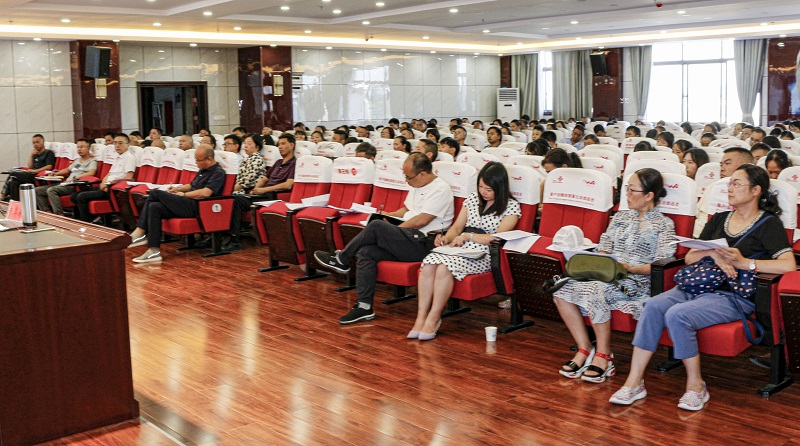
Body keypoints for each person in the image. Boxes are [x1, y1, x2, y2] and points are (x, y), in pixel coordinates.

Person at [611, 164, 795, 410]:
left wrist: (744, 263)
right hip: (697, 284)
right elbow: (690, 257)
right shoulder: (719, 219)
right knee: (653, 306)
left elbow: (788, 265)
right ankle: (634, 383)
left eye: (736, 183)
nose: (729, 188)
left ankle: (696, 386)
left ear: (755, 190)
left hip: (730, 294)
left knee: (678, 314)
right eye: (729, 183)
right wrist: (714, 254)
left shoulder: (768, 224)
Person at [555, 168, 676, 383]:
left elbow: (662, 263)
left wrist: (629, 268)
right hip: (608, 275)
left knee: (596, 290)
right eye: (626, 189)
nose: (626, 194)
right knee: (561, 288)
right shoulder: (620, 217)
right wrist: (603, 262)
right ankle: (584, 348)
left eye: (632, 190)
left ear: (649, 195)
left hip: (637, 282)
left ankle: (604, 355)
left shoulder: (664, 224)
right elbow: (604, 246)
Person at [313, 153, 455, 325]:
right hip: (407, 239)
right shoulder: (417, 184)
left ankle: (342, 259)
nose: (406, 181)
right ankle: (364, 307)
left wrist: (392, 231)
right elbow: (406, 210)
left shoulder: (441, 189)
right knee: (366, 251)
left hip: (424, 244)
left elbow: (422, 220)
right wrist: (389, 216)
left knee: (376, 227)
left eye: (408, 177)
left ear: (423, 174)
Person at [410, 162, 521, 340]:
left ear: (500, 188)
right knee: (429, 264)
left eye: (488, 189)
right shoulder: (472, 199)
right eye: (480, 187)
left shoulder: (511, 206)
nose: (483, 192)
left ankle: (434, 318)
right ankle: (421, 317)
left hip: (485, 253)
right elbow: (456, 228)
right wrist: (445, 238)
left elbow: (497, 238)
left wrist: (469, 236)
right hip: (459, 247)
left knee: (444, 267)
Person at [128, 146, 227, 263]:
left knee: (155, 193)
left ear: (209, 159)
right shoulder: (203, 169)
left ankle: (140, 231)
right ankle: (154, 250)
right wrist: (177, 189)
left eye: (198, 160)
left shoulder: (218, 172)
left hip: (198, 206)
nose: (196, 163)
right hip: (187, 202)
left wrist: (184, 195)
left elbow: (206, 193)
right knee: (154, 207)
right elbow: (191, 185)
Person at [72, 133, 136, 222]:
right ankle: (94, 219)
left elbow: (129, 177)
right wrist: (103, 183)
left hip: (113, 190)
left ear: (127, 144)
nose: (117, 145)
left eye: (120, 143)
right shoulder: (117, 157)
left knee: (81, 197)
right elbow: (109, 173)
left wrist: (108, 185)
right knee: (74, 196)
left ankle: (87, 222)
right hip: (105, 186)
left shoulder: (129, 157)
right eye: (115, 143)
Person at [693, 147, 754, 237]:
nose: (722, 169)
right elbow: (698, 214)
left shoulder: (751, 192)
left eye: (727, 163)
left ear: (745, 166)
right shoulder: (714, 186)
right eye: (721, 165)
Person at [34, 138, 97, 214]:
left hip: (74, 185)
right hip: (66, 183)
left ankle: (59, 214)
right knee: (37, 191)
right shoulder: (77, 160)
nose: (79, 149)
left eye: (82, 147)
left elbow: (91, 172)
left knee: (51, 190)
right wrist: (56, 174)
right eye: (78, 147)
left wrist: (77, 177)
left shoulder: (92, 161)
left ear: (88, 148)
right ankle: (47, 212)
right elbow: (68, 170)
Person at [2, 134, 55, 201]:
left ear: (43, 142)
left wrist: (35, 171)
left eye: (37, 142)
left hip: (37, 176)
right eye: (33, 143)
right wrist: (31, 155)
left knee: (13, 173)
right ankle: (14, 202)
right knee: (13, 181)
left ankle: (3, 194)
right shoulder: (35, 154)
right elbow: (30, 166)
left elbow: (49, 167)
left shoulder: (48, 153)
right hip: (31, 174)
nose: (35, 144)